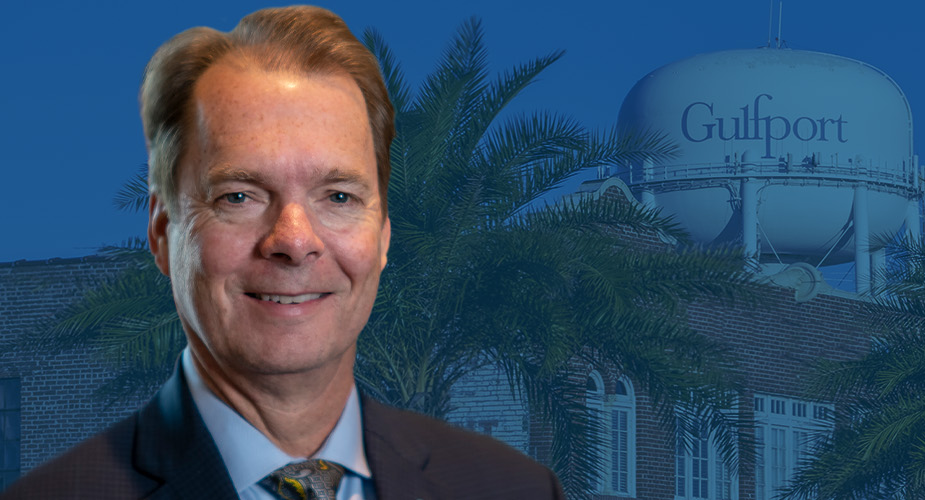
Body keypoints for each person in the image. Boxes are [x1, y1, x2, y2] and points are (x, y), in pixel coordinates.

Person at [2, 6, 564, 500]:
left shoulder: (517, 490)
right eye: (239, 196)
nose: (295, 241)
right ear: (162, 231)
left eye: (339, 196)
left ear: (384, 234)